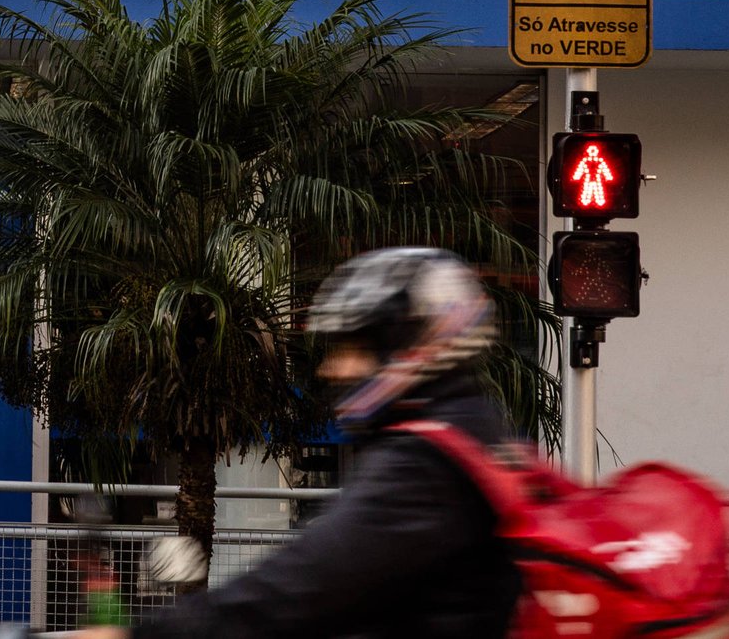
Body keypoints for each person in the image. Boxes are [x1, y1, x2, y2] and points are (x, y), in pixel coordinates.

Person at [120, 247, 523, 639]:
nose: (332, 369)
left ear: (413, 348)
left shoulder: (425, 463)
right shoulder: (476, 432)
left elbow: (294, 589)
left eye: (354, 349)